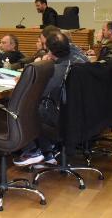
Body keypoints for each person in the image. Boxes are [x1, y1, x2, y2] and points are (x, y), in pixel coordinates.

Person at [14, 31, 87, 166]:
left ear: (50, 51)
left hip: (64, 117)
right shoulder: (79, 59)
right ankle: (49, 151)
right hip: (82, 113)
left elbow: (37, 93)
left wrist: (37, 69)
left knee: (26, 108)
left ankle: (35, 151)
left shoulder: (58, 70)